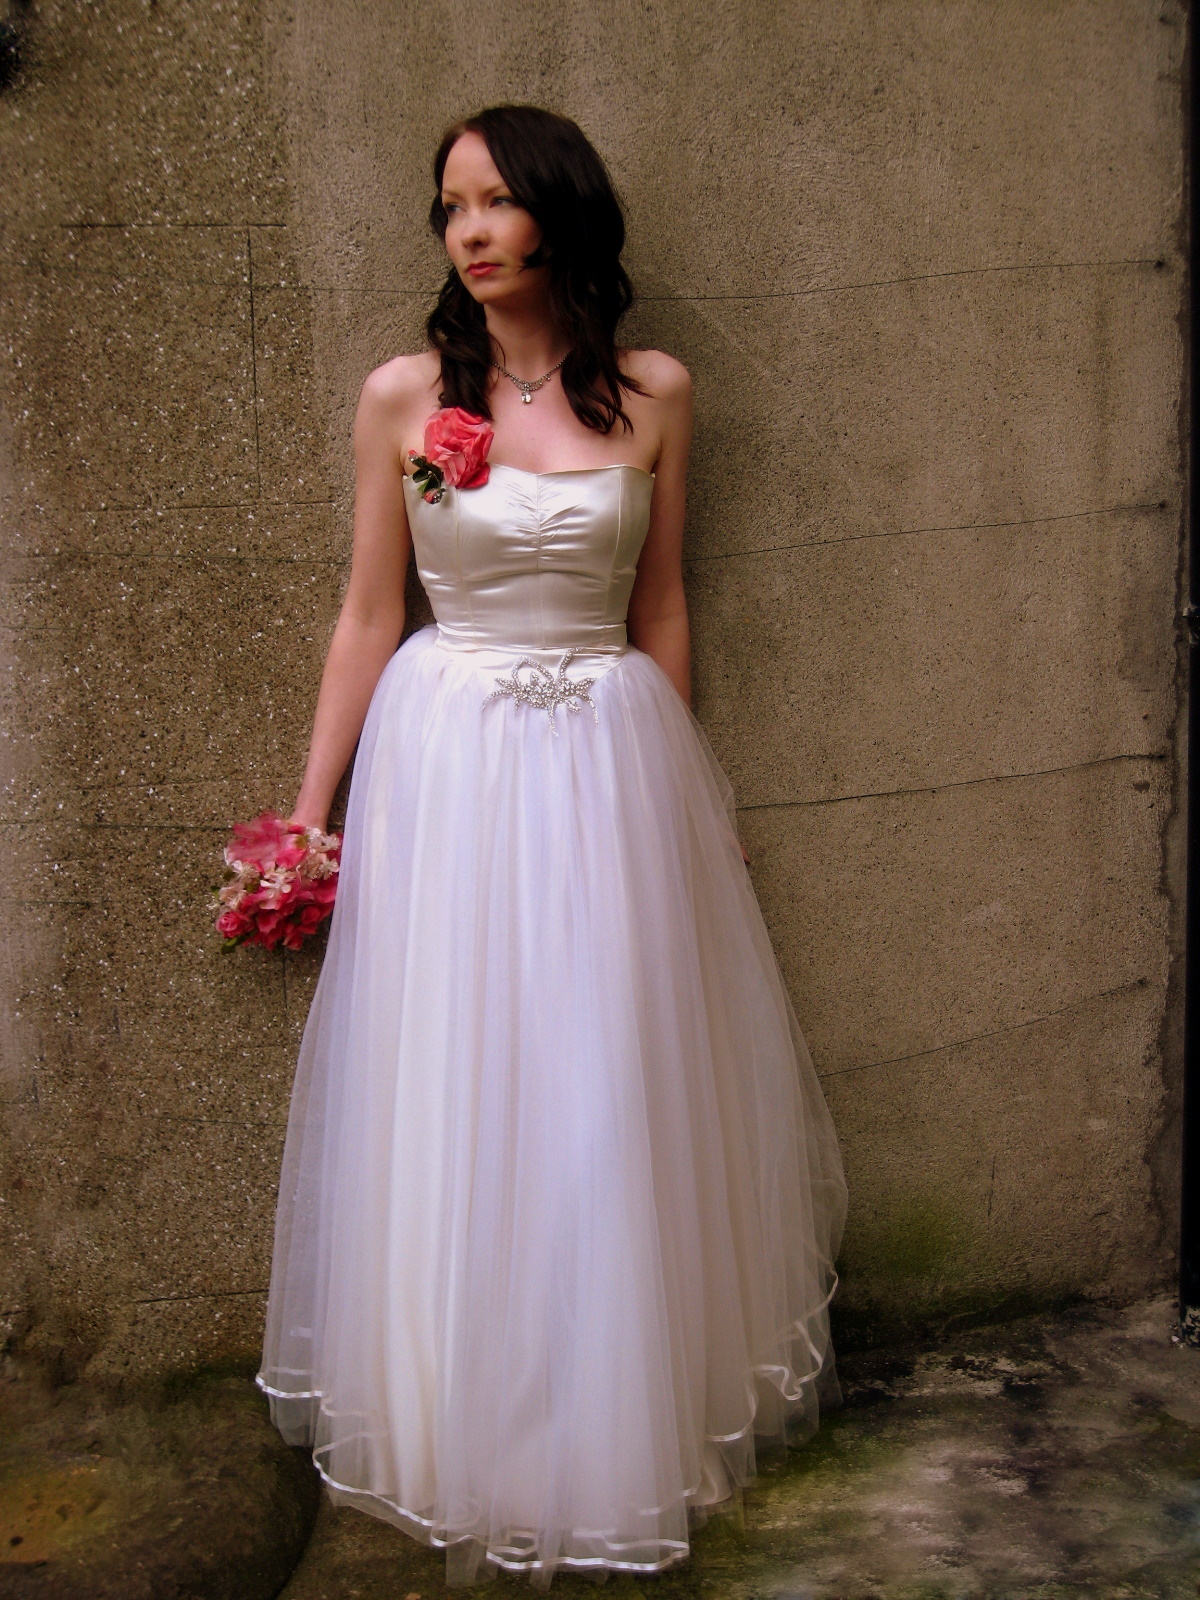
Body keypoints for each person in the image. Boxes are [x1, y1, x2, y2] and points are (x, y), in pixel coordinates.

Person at [257, 103, 847, 1588]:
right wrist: (311, 813)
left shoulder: (655, 392)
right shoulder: (405, 397)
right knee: (457, 1073)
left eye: (500, 199)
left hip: (607, 755)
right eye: (450, 203)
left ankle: (608, 1414)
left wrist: (691, 795)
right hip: (447, 756)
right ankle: (468, 1417)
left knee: (604, 1071)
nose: (470, 227)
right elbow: (367, 616)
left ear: (560, 216)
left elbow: (662, 609)